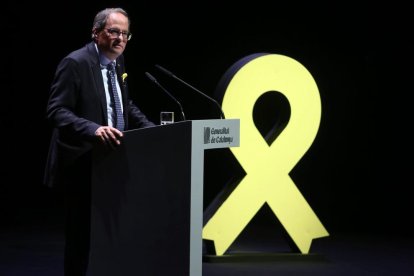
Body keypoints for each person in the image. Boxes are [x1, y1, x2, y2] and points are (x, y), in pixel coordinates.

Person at [43, 7, 155, 276]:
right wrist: (93, 129)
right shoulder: (75, 63)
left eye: (125, 34)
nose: (120, 39)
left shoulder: (118, 63)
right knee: (82, 238)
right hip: (82, 163)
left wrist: (151, 130)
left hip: (112, 161)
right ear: (96, 33)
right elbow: (56, 111)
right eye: (113, 31)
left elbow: (123, 104)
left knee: (111, 234)